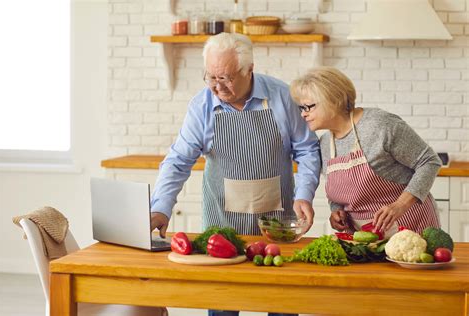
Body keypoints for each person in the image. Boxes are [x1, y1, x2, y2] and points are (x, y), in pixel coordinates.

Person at [150, 33, 321, 316]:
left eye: (226, 78)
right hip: (222, 225)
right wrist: (160, 208)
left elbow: (307, 151)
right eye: (211, 77)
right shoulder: (202, 106)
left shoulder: (281, 97)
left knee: (282, 305)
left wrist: (304, 195)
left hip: (277, 227)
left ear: (249, 70)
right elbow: (178, 161)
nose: (217, 87)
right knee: (222, 309)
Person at [290, 66, 441, 237]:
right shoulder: (325, 144)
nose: (303, 114)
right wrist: (337, 212)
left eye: (308, 107)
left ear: (332, 100)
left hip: (411, 228)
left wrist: (399, 205)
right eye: (301, 108)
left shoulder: (380, 125)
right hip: (364, 239)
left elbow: (429, 162)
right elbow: (338, 195)